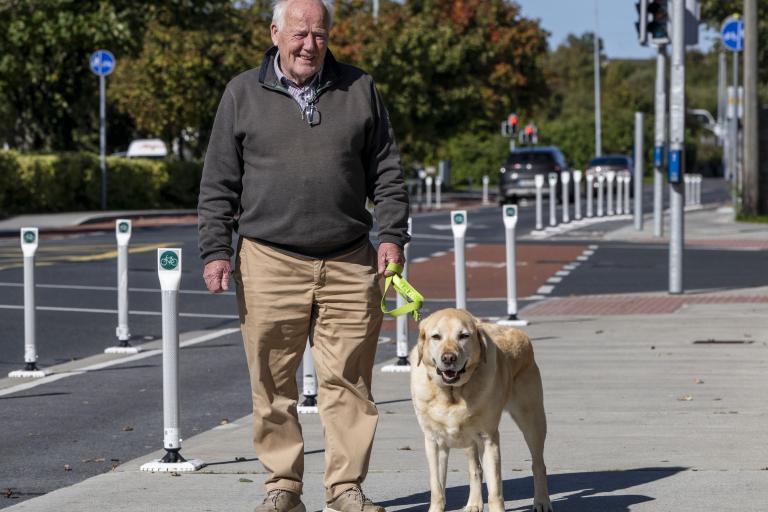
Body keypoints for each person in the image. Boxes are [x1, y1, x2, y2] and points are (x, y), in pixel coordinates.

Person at [197, 0, 409, 511]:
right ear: (275, 33)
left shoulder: (359, 88)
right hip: (269, 259)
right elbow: (218, 181)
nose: (308, 44)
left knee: (350, 383)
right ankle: (282, 488)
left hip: (349, 258)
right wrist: (215, 250)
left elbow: (387, 171)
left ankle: (345, 489)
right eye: (298, 33)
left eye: (318, 34)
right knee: (271, 383)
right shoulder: (242, 92)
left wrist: (391, 237)